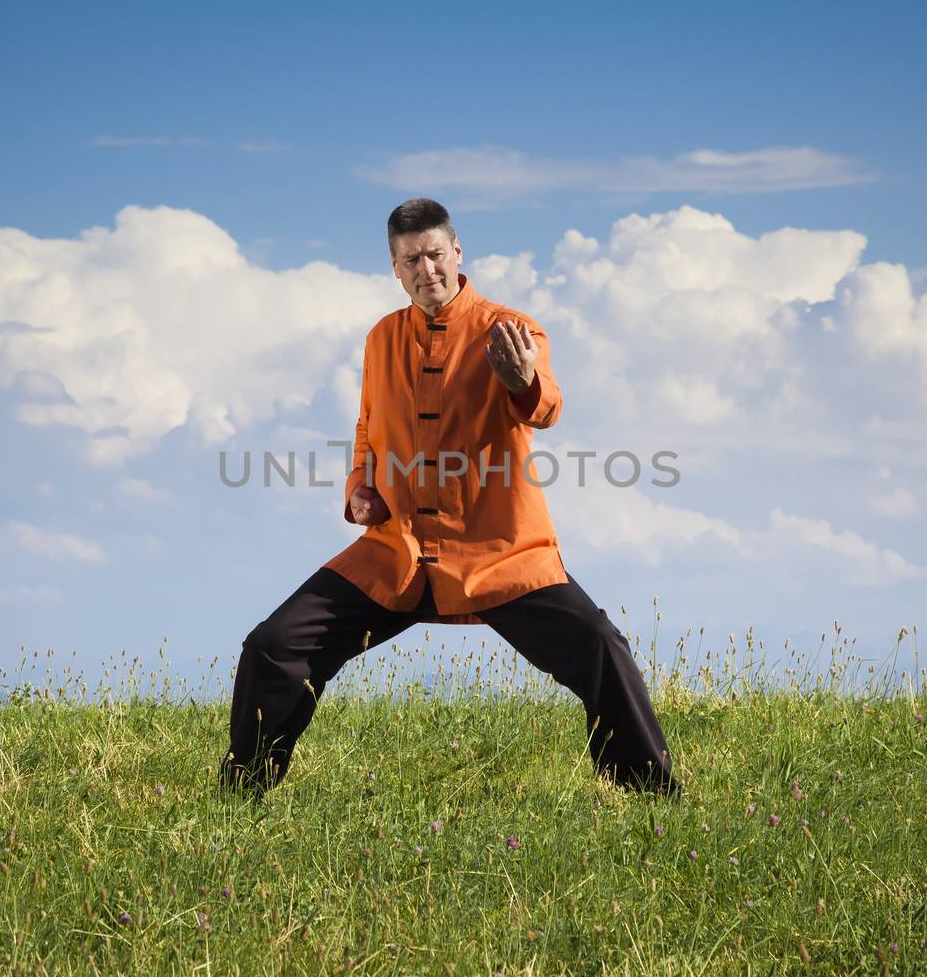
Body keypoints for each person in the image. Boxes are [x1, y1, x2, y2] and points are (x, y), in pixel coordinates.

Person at [219, 198, 681, 798]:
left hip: (498, 552)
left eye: (435, 254)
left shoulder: (511, 328)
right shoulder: (381, 338)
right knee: (273, 645)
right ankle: (243, 792)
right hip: (396, 553)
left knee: (599, 645)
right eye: (410, 259)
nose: (425, 269)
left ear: (457, 253)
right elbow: (367, 425)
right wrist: (360, 488)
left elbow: (548, 406)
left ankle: (649, 797)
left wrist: (523, 384)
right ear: (394, 266)